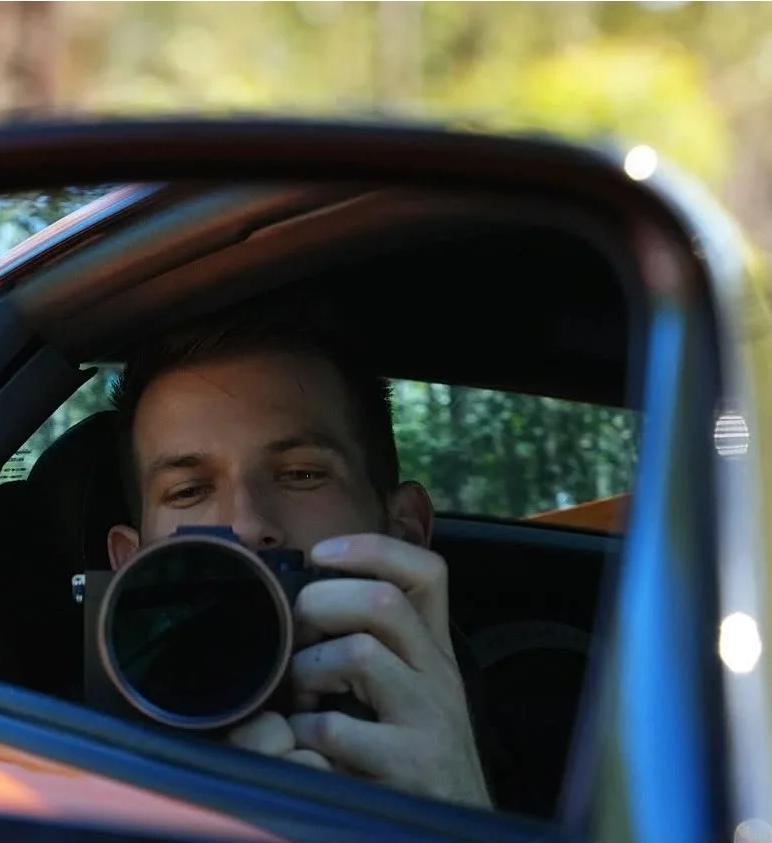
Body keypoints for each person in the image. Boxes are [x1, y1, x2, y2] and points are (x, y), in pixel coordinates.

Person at [106, 298, 495, 810]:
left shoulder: (560, 739)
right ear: (128, 563)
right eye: (188, 491)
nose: (246, 525)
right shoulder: (63, 749)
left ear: (404, 529)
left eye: (302, 474)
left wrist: (455, 810)